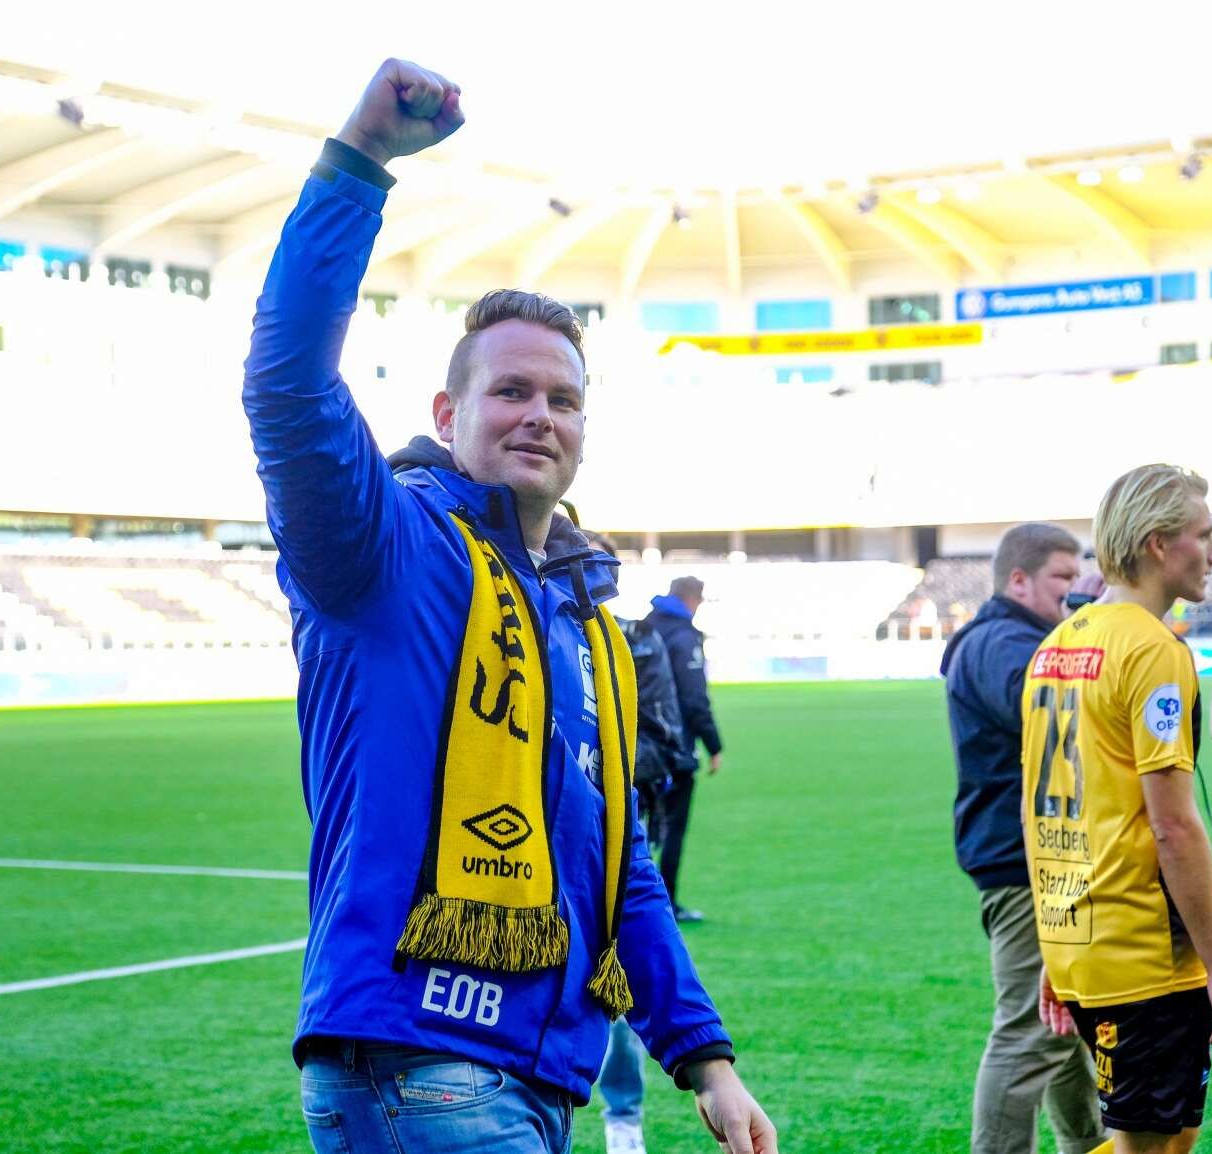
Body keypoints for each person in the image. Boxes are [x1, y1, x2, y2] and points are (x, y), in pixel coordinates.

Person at [241, 59, 776, 1154]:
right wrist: (360, 162)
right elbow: (288, 383)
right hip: (417, 1061)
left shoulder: (586, 627)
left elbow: (619, 864)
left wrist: (704, 1060)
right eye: (512, 391)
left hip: (536, 1074)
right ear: (448, 413)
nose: (541, 415)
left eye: (564, 398)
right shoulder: (386, 546)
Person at [1024, 464, 1212, 1154]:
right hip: (1140, 953)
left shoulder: (1056, 645)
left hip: (1082, 937)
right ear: (1158, 544)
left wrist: (1057, 936)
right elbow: (1173, 825)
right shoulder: (1153, 651)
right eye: (1203, 536)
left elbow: (1041, 810)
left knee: (1172, 1132)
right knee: (1150, 1143)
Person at [941, 523, 1105, 1154]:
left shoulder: (1012, 638)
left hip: (1030, 856)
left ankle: (1088, 1145)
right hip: (1026, 864)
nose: (1074, 588)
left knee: (1059, 1025)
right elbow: (1048, 706)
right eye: (1063, 577)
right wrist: (1092, 622)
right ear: (1017, 580)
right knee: (1030, 1035)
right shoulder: (1001, 642)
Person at [580, 531, 695, 1154]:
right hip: (520, 854)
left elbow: (664, 736)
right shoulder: (508, 625)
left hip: (612, 847)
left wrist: (594, 774)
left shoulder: (635, 640)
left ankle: (623, 1122)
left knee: (617, 989)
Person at [644, 576, 724, 922]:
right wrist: (713, 744)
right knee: (673, 828)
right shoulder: (684, 636)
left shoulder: (643, 628)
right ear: (693, 599)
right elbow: (693, 698)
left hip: (637, 745)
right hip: (674, 748)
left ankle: (629, 905)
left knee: (637, 829)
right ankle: (666, 904)